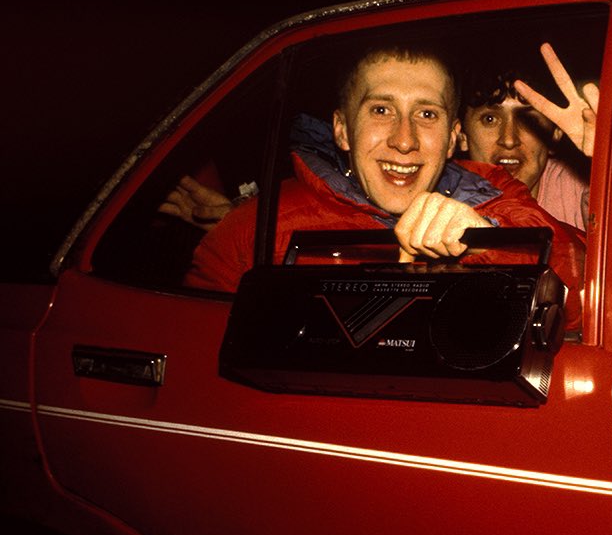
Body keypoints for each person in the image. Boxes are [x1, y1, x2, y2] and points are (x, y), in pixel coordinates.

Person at [183, 42, 584, 324]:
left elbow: (584, 291)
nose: (404, 140)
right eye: (381, 110)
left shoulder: (493, 193)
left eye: (426, 115)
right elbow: (199, 369)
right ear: (342, 130)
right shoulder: (253, 231)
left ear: (451, 138)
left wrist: (487, 242)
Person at [458, 51, 591, 232]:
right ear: (461, 135)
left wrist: (609, 161)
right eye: (490, 119)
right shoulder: (444, 196)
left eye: (527, 120)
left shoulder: (577, 190)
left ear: (556, 132)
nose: (509, 140)